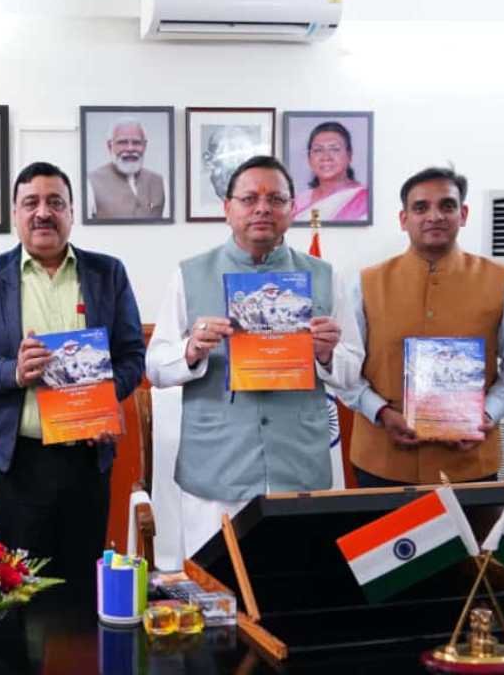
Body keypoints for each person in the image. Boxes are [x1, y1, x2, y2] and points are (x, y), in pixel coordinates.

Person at [145, 155, 360, 559]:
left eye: (275, 199)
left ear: (292, 208)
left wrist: (328, 354)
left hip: (297, 465)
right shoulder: (189, 275)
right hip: (217, 467)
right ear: (227, 209)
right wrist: (191, 350)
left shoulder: (325, 276)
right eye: (249, 199)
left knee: (293, 581)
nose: (262, 208)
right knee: (217, 584)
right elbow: (155, 367)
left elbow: (351, 371)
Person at [0, 161, 146, 585]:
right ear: (14, 213)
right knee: (20, 587)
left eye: (55, 202)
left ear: (71, 211)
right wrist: (14, 372)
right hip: (19, 461)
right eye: (31, 202)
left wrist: (107, 397)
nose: (43, 213)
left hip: (88, 458)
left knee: (81, 588)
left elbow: (132, 356)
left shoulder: (108, 273)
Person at [334, 166, 504, 487]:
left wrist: (488, 414)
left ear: (463, 214)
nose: (435, 216)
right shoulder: (364, 284)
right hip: (382, 460)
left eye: (447, 205)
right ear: (404, 219)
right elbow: (344, 367)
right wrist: (381, 413)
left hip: (470, 465)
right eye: (421, 207)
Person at [88, 117, 165, 219]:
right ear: (110, 146)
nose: (130, 149)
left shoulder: (160, 182)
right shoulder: (90, 182)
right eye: (122, 142)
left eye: (136, 143)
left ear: (145, 146)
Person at [292, 121, 369, 222]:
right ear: (309, 158)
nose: (326, 157)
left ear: (349, 156)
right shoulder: (298, 203)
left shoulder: (365, 199)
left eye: (334, 149)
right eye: (318, 150)